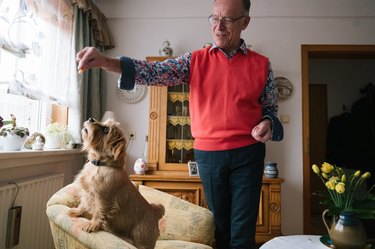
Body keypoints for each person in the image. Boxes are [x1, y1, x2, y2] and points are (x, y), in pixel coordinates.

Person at [76, 0, 283, 248]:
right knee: (221, 227)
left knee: (243, 229)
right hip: (210, 156)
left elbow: (270, 109)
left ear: (245, 22)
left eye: (228, 19)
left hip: (248, 154)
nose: (219, 27)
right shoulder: (194, 60)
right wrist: (106, 62)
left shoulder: (262, 64)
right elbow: (153, 71)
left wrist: (268, 122)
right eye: (214, 18)